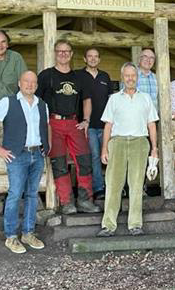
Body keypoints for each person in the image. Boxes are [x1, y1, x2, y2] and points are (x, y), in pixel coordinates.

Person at [0, 71, 51, 254]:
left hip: (37, 154)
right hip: (17, 156)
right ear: (19, 84)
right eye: (26, 81)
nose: (30, 85)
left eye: (33, 82)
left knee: (31, 194)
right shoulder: (8, 102)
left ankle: (28, 233)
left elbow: (46, 127)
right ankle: (11, 236)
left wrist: (47, 145)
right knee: (14, 194)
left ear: (36, 85)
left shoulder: (42, 105)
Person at [36, 40, 100, 215]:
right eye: (60, 51)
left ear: (71, 54)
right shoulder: (45, 75)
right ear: (55, 53)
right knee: (59, 164)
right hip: (53, 123)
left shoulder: (79, 77)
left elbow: (87, 100)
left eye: (67, 51)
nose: (63, 54)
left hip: (74, 123)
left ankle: (86, 201)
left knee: (85, 161)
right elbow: (36, 101)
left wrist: (86, 120)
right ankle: (66, 203)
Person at [97, 62, 159, 237]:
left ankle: (135, 224)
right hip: (117, 142)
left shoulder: (145, 98)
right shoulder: (114, 98)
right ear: (122, 77)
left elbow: (152, 124)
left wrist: (154, 149)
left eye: (133, 75)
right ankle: (108, 225)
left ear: (137, 78)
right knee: (113, 184)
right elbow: (108, 126)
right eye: (127, 75)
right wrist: (104, 149)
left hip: (140, 142)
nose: (130, 78)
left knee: (137, 184)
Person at [76, 47, 113, 201]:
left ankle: (112, 187)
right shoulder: (78, 75)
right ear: (84, 59)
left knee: (110, 156)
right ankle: (98, 188)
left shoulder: (105, 76)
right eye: (89, 56)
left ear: (99, 59)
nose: (92, 59)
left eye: (96, 56)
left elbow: (112, 100)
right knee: (95, 157)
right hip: (88, 125)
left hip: (106, 124)